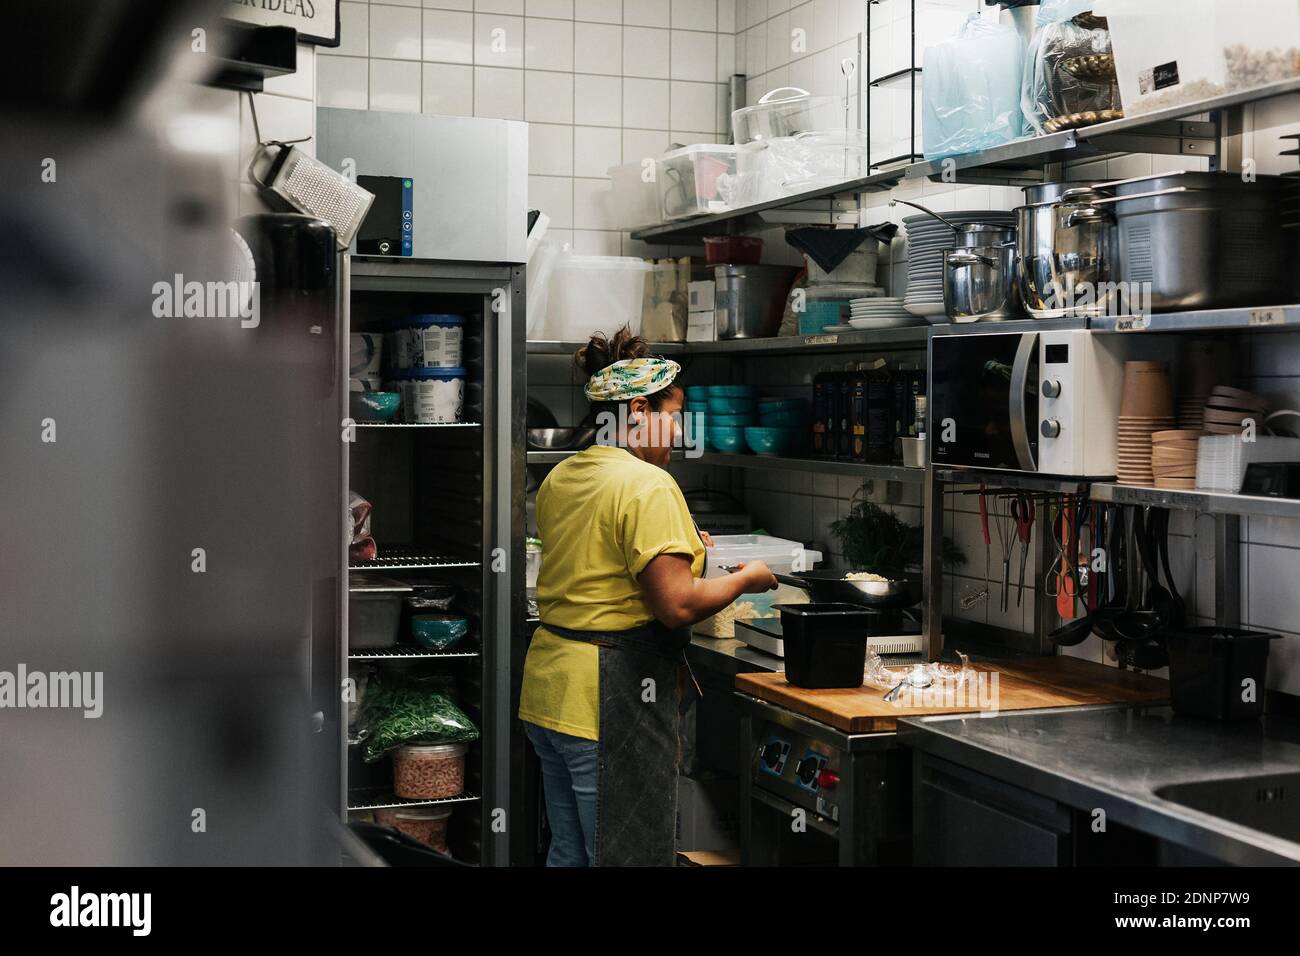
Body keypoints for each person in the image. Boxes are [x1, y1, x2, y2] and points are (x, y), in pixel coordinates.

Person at [518, 328, 778, 866]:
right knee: (624, 856)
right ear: (638, 409)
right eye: (674, 413)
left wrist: (691, 550)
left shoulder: (562, 474)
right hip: (607, 701)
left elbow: (604, 563)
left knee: (570, 852)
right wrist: (747, 578)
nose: (680, 430)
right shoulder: (647, 484)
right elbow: (677, 605)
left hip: (548, 690)